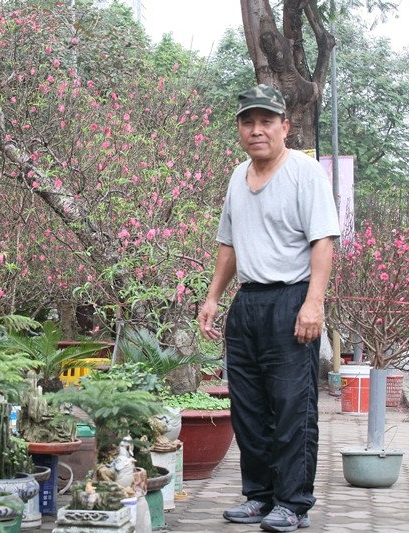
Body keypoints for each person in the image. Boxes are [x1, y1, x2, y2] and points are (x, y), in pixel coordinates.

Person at [197, 85, 339, 532]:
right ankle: (259, 496)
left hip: (292, 300)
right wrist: (213, 297)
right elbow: (228, 245)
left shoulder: (304, 172)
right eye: (248, 122)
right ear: (239, 129)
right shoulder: (237, 176)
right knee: (249, 407)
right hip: (248, 303)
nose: (256, 130)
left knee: (292, 407)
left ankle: (293, 503)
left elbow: (323, 241)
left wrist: (313, 303)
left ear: (284, 126)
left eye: (266, 121)